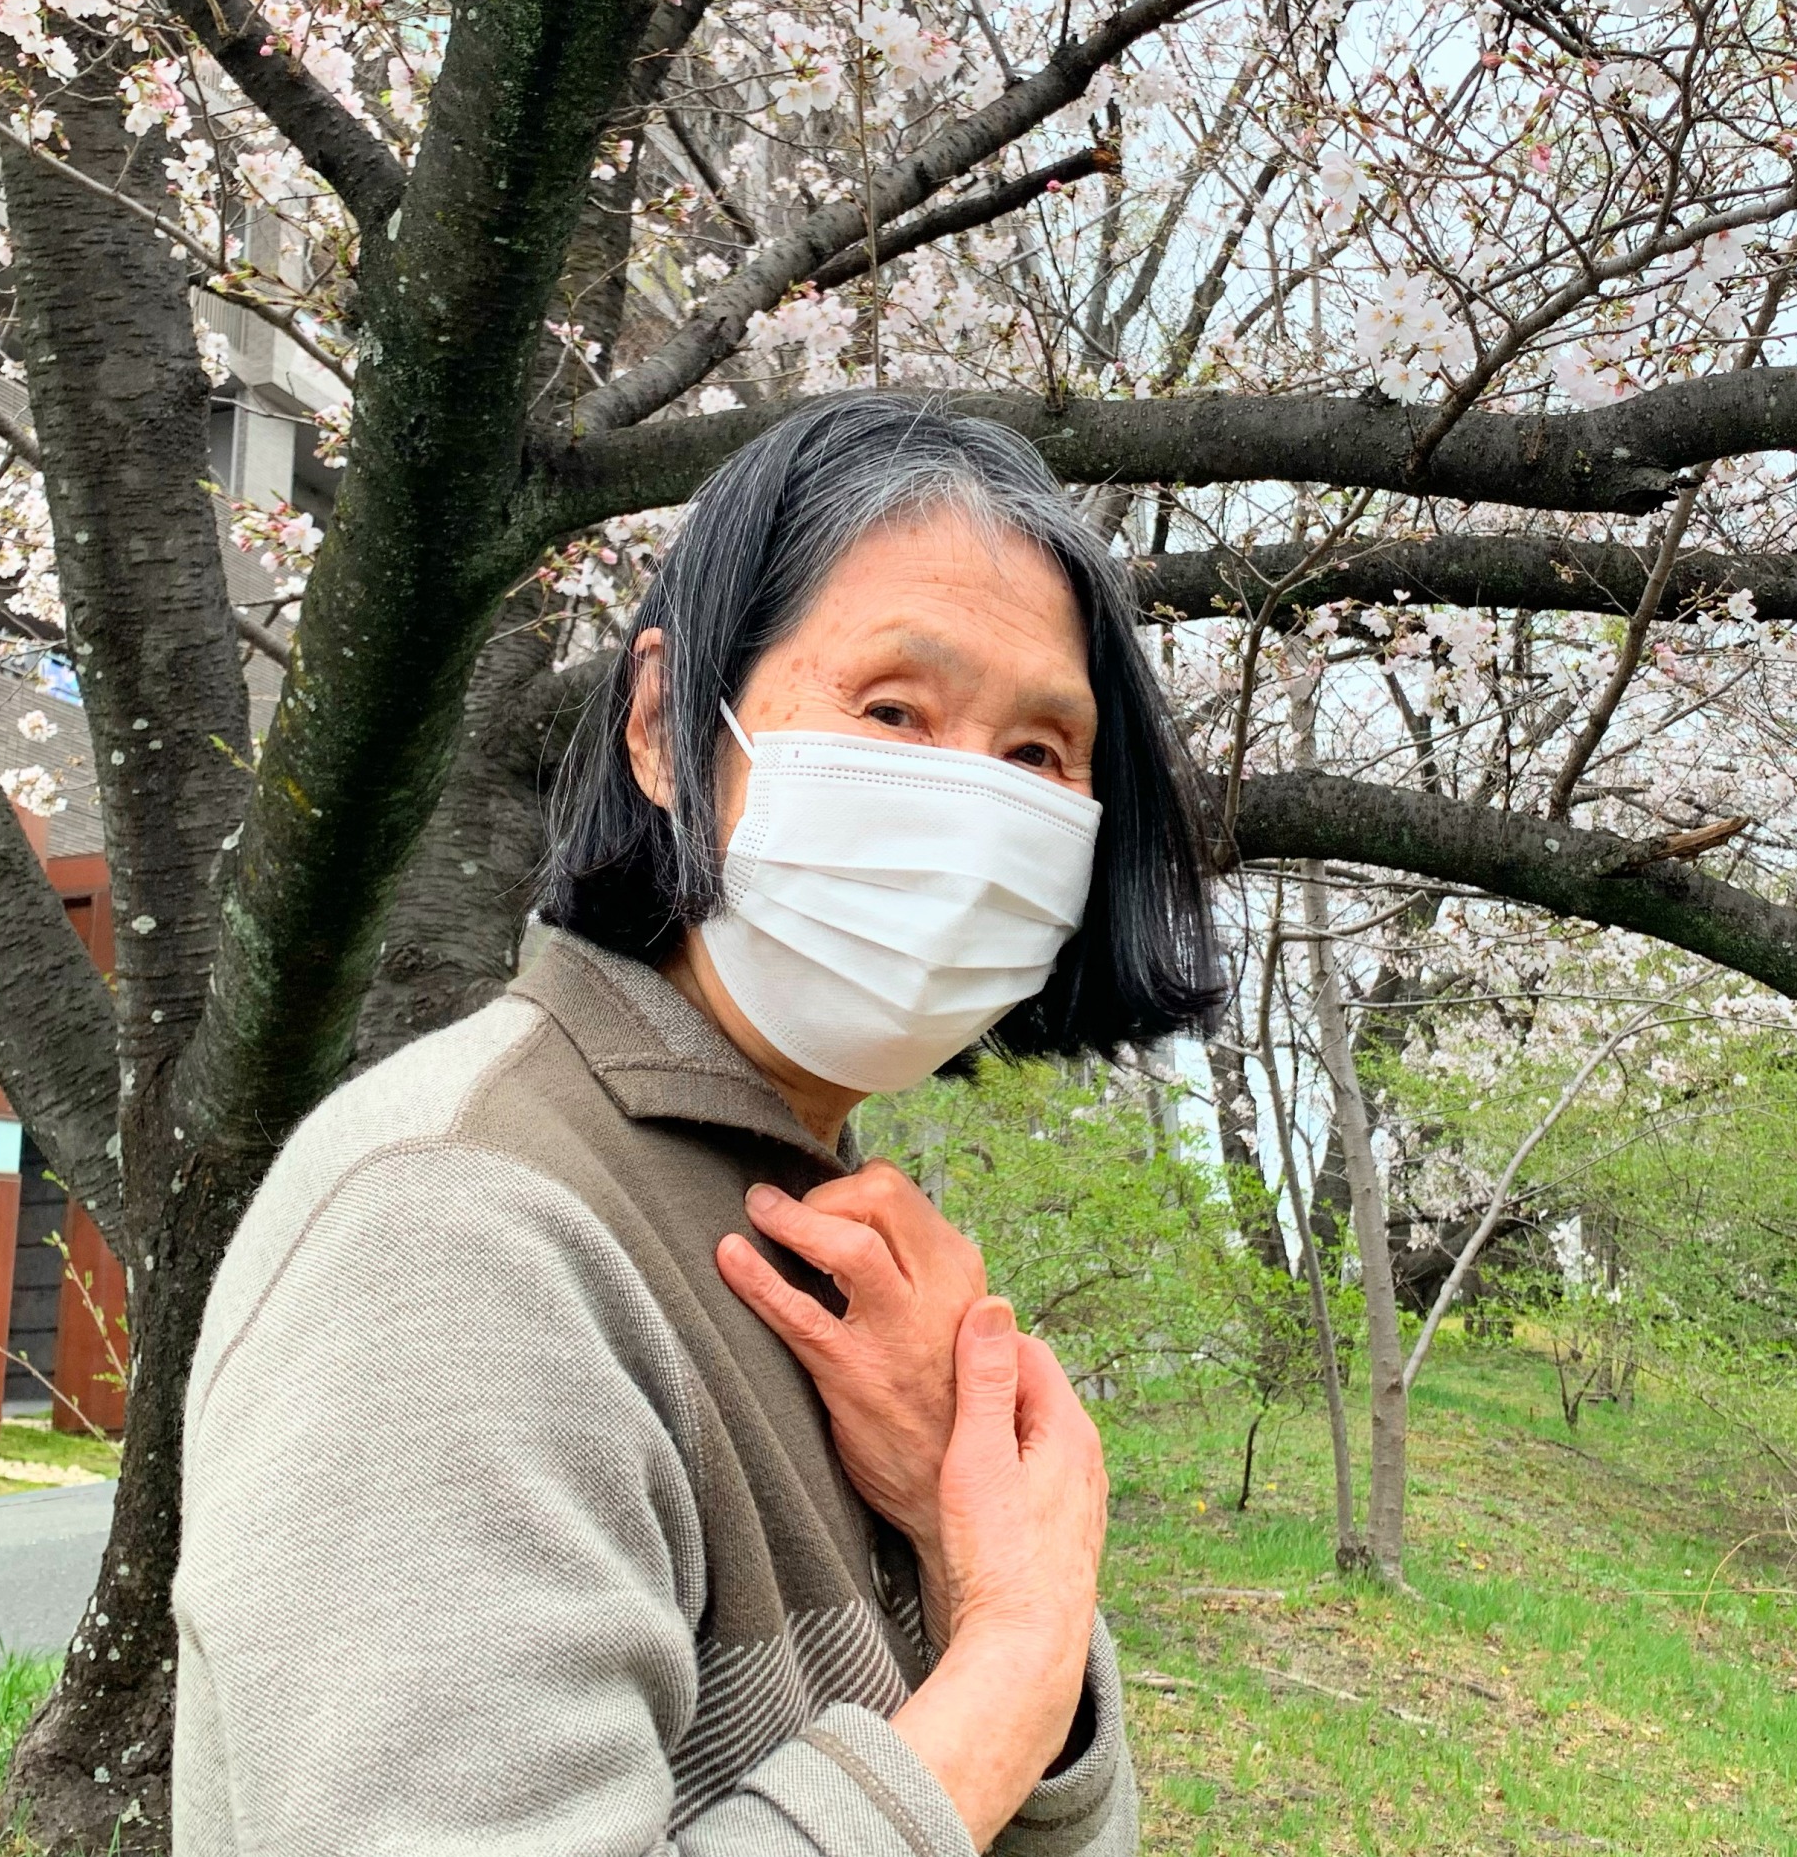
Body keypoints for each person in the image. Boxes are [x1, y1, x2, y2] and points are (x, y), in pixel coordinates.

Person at [170, 397, 1223, 1857]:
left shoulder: (821, 1221)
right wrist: (1020, 1644)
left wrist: (958, 1543)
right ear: (668, 727)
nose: (971, 801)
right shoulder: (455, 1231)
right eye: (894, 711)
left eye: (1041, 753)